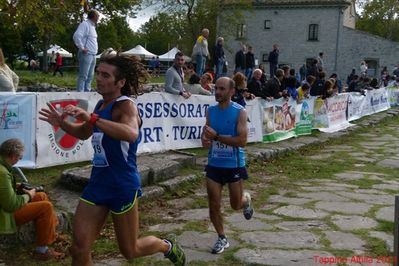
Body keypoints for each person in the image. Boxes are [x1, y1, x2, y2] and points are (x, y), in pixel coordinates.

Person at [39, 54, 186, 266]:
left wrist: (92, 118)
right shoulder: (100, 105)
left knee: (130, 250)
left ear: (121, 82)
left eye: (105, 75)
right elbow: (83, 132)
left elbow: (130, 133)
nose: (98, 78)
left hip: (121, 185)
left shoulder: (126, 106)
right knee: (79, 249)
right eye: (98, 73)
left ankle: (166, 246)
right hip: (98, 184)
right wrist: (61, 124)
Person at [201, 76, 254, 254]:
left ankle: (245, 200)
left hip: (234, 165)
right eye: (216, 88)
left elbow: (242, 141)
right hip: (214, 164)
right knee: (214, 204)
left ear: (231, 91)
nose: (218, 92)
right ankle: (222, 237)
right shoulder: (210, 110)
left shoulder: (240, 112)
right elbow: (206, 135)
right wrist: (206, 140)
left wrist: (216, 137)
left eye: (222, 89)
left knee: (235, 205)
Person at [0, 138, 63, 260]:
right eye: (19, 157)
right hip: (4, 214)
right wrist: (29, 195)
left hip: (4, 208)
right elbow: (11, 205)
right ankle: (41, 251)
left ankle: (52, 234)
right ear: (13, 156)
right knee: (46, 207)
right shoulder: (2, 172)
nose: (19, 160)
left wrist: (15, 186)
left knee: (41, 196)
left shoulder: (3, 165)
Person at [73, 9, 99, 92]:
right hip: (86, 53)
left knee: (90, 75)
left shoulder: (92, 26)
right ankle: (80, 93)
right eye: (97, 16)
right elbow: (76, 36)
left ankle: (87, 92)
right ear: (93, 16)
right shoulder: (85, 24)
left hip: (93, 54)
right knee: (83, 75)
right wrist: (82, 47)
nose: (98, 17)